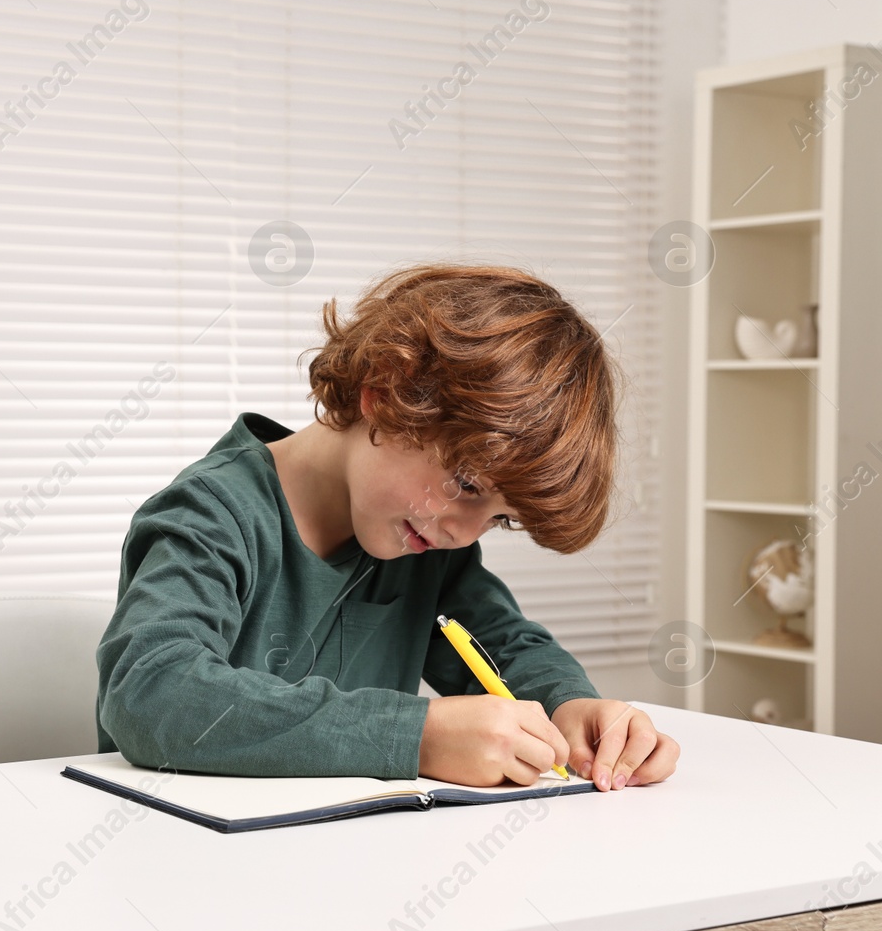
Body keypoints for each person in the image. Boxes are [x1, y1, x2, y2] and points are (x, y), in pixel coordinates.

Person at [95, 262, 680, 793]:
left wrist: (569, 705)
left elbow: (505, 646)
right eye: (468, 484)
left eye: (500, 518)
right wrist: (415, 737)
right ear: (387, 393)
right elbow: (151, 693)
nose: (466, 533)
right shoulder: (210, 514)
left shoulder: (423, 543)